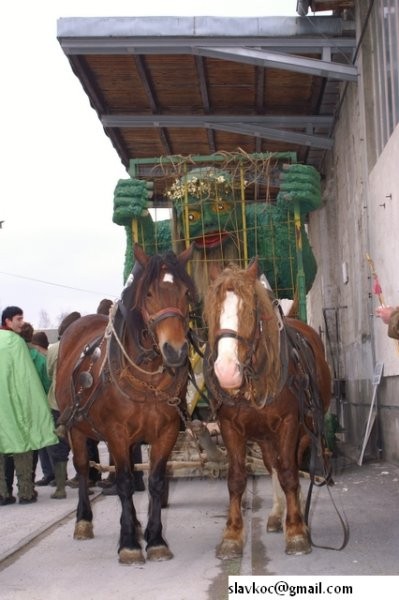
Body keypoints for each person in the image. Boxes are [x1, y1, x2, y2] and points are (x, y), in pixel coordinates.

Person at [0, 306, 58, 505]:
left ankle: (3, 494)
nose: (21, 322)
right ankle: (25, 492)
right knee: (22, 445)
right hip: (16, 403)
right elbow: (26, 377)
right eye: (18, 318)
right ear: (7, 321)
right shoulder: (16, 343)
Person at [47, 311, 81, 499]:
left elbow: (49, 372)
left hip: (58, 402)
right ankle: (86, 477)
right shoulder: (86, 344)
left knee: (59, 444)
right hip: (82, 402)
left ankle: (60, 486)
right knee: (83, 442)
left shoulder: (53, 348)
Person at [19, 325, 54, 486]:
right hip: (43, 404)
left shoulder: (19, 357)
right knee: (46, 440)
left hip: (24, 405)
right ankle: (52, 474)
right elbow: (48, 382)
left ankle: (38, 477)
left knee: (32, 443)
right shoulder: (39, 358)